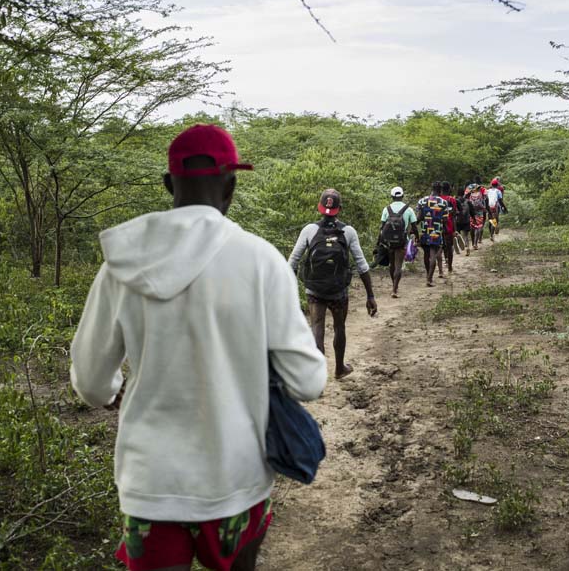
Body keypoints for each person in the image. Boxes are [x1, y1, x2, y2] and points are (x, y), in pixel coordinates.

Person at [70, 124, 327, 571]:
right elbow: (307, 381)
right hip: (236, 478)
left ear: (169, 184)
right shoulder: (261, 260)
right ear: (231, 185)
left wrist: (115, 392)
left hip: (150, 482)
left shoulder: (121, 266)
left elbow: (92, 384)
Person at [289, 188, 378, 378]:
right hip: (338, 291)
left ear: (320, 207)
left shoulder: (309, 230)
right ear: (340, 208)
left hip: (314, 290)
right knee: (339, 327)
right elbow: (362, 265)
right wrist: (370, 295)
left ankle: (318, 376)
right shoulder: (348, 232)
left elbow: (293, 261)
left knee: (317, 329)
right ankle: (339, 369)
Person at [379, 186, 418, 298]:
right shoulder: (409, 210)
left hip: (389, 242)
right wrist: (417, 238)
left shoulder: (386, 209)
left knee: (392, 265)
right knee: (398, 265)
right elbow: (414, 227)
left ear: (392, 196)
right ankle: (395, 289)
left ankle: (393, 286)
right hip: (402, 241)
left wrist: (379, 242)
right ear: (402, 196)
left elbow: (381, 227)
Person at [416, 181, 450, 287]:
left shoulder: (422, 201)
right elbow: (445, 220)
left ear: (432, 188)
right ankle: (429, 279)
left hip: (425, 231)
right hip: (436, 232)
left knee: (426, 255)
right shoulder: (443, 202)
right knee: (433, 255)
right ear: (440, 190)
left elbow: (419, 217)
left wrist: (413, 230)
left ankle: (428, 275)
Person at [439, 181, 459, 273]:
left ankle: (440, 269)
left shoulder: (437, 199)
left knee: (439, 247)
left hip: (437, 227)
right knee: (449, 246)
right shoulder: (452, 200)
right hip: (449, 227)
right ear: (449, 189)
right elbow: (454, 216)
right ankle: (450, 267)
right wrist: (455, 230)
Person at [466, 183, 488, 251]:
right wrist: (484, 208)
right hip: (479, 212)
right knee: (479, 227)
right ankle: (475, 243)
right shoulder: (480, 194)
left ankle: (472, 243)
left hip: (472, 212)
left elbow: (469, 202)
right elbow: (481, 202)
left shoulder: (471, 195)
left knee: (472, 227)